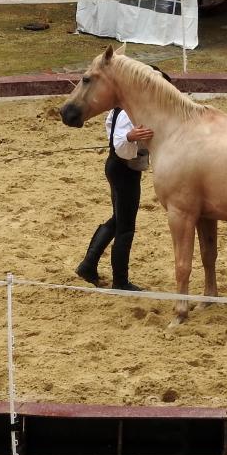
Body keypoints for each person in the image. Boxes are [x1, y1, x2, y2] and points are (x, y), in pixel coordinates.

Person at [75, 66, 174, 292]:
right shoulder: (130, 111)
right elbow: (120, 143)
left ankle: (88, 265)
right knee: (126, 227)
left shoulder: (125, 106)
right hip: (123, 169)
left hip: (118, 167)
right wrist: (130, 137)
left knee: (118, 219)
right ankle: (120, 281)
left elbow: (109, 126)